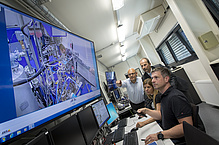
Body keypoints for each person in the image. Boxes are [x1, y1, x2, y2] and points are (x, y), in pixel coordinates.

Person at [137, 67, 193, 145]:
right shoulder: (164, 96)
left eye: (156, 77)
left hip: (178, 140)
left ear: (166, 79)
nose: (152, 80)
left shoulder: (175, 97)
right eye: (152, 78)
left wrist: (160, 135)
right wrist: (146, 110)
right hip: (169, 134)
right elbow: (161, 115)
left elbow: (186, 127)